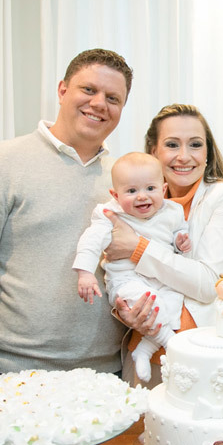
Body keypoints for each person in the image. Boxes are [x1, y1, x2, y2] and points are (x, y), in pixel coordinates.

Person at [0, 49, 132, 389]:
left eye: (113, 98)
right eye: (89, 90)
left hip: (108, 377)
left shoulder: (123, 181)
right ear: (62, 91)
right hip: (11, 375)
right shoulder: (0, 162)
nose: (99, 103)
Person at [105, 104, 223, 384]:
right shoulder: (130, 201)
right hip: (146, 346)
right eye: (171, 144)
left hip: (212, 352)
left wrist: (137, 247)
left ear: (207, 153)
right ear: (153, 151)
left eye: (195, 145)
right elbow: (114, 268)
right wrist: (125, 309)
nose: (183, 156)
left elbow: (207, 284)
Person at [73, 152, 191, 382]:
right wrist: (85, 273)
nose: (141, 197)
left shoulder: (172, 211)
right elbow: (91, 240)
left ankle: (145, 349)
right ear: (115, 195)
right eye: (131, 191)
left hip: (161, 277)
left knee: (175, 300)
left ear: (163, 190)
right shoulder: (110, 213)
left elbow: (178, 232)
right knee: (145, 302)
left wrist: (180, 241)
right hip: (127, 279)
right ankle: (170, 342)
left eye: (150, 188)